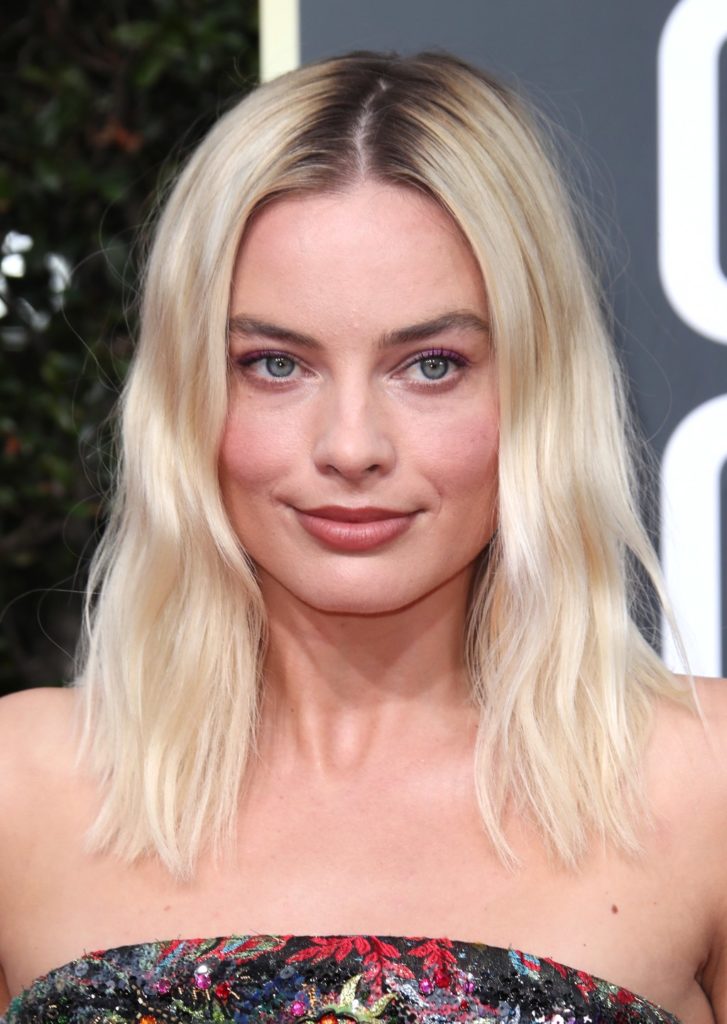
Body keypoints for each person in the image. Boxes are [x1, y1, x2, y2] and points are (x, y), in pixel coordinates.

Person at [0, 50, 725, 1024]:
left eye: (430, 364)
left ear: (536, 391)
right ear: (185, 395)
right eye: (274, 364)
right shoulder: (20, 791)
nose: (350, 447)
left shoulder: (704, 787)